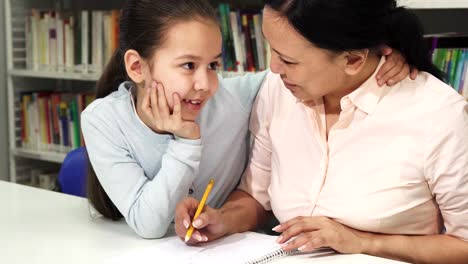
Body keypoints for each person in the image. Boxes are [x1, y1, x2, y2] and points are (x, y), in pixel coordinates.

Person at [82, 0, 414, 239]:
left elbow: (314, 68)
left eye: (213, 65)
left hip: (229, 246)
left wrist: (387, 55)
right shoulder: (103, 120)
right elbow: (149, 225)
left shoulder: (234, 97)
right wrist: (186, 141)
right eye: (188, 66)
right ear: (137, 67)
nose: (206, 84)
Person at [174, 0, 468, 263]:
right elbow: (256, 197)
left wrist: (363, 242)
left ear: (353, 60)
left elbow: (463, 245)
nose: (274, 68)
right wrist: (221, 219)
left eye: (288, 60)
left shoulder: (438, 115)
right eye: (271, 50)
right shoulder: (279, 90)